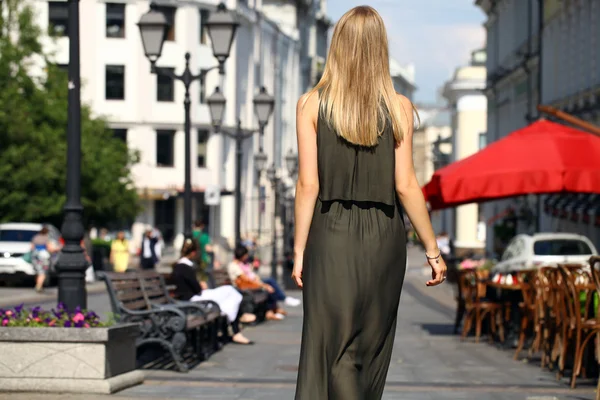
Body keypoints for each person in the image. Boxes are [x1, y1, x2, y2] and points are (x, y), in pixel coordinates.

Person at [292, 6, 448, 399]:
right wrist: (432, 250)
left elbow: (308, 184)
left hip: (329, 234)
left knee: (332, 344)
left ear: (337, 46)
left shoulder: (312, 104)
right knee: (370, 345)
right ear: (381, 49)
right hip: (383, 237)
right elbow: (407, 185)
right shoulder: (398, 108)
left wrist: (299, 251)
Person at [171, 239, 256, 345]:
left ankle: (235, 320)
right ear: (193, 253)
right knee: (229, 292)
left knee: (229, 291)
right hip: (193, 299)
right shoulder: (185, 267)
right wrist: (200, 285)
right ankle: (236, 324)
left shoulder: (181, 266)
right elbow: (196, 288)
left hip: (193, 297)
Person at [227, 245, 287, 321]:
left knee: (269, 284)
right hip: (243, 288)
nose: (247, 256)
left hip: (249, 285)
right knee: (268, 285)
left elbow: (249, 276)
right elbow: (245, 279)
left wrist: (258, 281)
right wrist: (262, 285)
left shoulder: (242, 263)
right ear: (242, 255)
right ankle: (276, 306)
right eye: (246, 255)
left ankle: (273, 309)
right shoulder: (233, 265)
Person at [30, 226, 58, 293]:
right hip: (43, 257)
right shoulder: (46, 238)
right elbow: (50, 248)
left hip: (35, 256)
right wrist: (57, 249)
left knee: (38, 271)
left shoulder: (36, 237)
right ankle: (38, 286)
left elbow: (32, 247)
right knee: (43, 272)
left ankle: (38, 285)